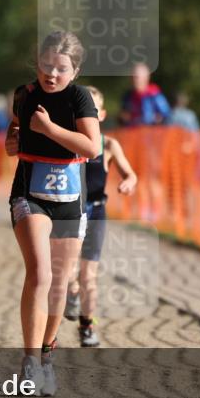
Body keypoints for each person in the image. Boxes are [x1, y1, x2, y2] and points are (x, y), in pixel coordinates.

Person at [5, 31, 100, 396]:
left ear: (74, 70)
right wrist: (12, 142)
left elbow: (92, 147)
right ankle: (29, 364)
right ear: (37, 63)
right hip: (30, 193)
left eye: (61, 68)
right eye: (46, 65)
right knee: (40, 273)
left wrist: (49, 129)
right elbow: (12, 133)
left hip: (70, 198)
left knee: (60, 282)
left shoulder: (80, 98)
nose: (52, 74)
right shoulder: (24, 95)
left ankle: (46, 355)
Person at [64, 87, 138, 347]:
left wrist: (129, 182)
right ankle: (71, 293)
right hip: (70, 211)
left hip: (96, 211)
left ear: (102, 115)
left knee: (89, 273)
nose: (88, 114)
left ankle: (87, 325)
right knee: (68, 272)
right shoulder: (67, 141)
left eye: (93, 110)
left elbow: (131, 173)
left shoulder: (108, 145)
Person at [119, 63, 170, 223]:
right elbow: (123, 116)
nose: (136, 80)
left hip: (151, 144)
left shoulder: (154, 95)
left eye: (139, 76)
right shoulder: (128, 96)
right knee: (136, 176)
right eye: (133, 76)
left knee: (152, 177)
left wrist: (154, 124)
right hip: (133, 143)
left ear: (146, 77)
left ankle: (155, 213)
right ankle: (141, 211)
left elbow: (166, 116)